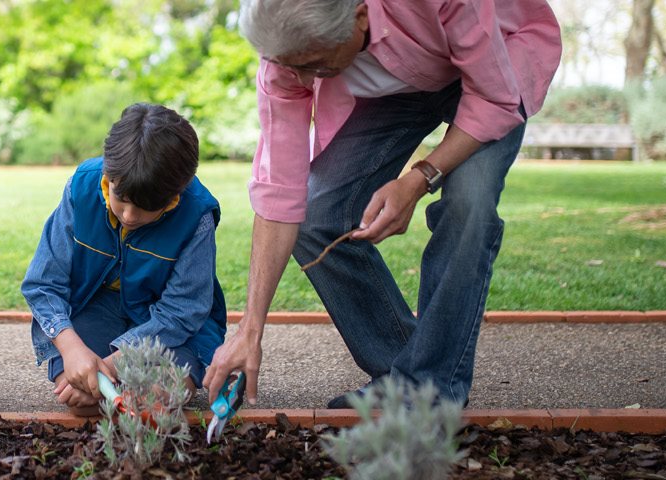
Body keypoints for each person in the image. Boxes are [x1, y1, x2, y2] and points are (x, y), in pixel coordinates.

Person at [204, 0, 560, 408]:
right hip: (401, 86)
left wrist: (418, 179)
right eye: (290, 66)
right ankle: (407, 379)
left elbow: (495, 99)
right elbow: (280, 190)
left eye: (315, 64)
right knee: (318, 215)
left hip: (495, 63)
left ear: (359, 15)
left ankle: (432, 393)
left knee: (469, 204)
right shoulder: (287, 59)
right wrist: (250, 329)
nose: (301, 79)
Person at [22, 103, 228, 416]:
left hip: (169, 328)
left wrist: (110, 365)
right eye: (122, 199)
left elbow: (183, 310)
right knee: (84, 400)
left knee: (157, 399)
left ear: (176, 193)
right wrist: (73, 350)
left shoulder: (196, 214)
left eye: (147, 207)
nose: (130, 216)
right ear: (108, 177)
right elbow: (43, 283)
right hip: (96, 308)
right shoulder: (81, 188)